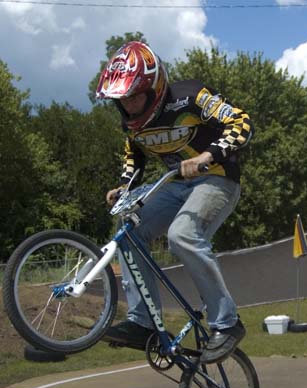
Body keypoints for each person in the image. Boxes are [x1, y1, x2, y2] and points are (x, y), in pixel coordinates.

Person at [96, 41, 253, 364]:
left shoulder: (191, 96)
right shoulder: (131, 121)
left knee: (182, 235)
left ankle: (226, 323)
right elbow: (134, 152)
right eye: (123, 99)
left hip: (217, 178)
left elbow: (242, 123)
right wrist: (125, 185)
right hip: (176, 185)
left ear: (154, 89)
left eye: (136, 96)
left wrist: (208, 156)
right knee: (128, 232)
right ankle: (144, 323)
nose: (129, 105)